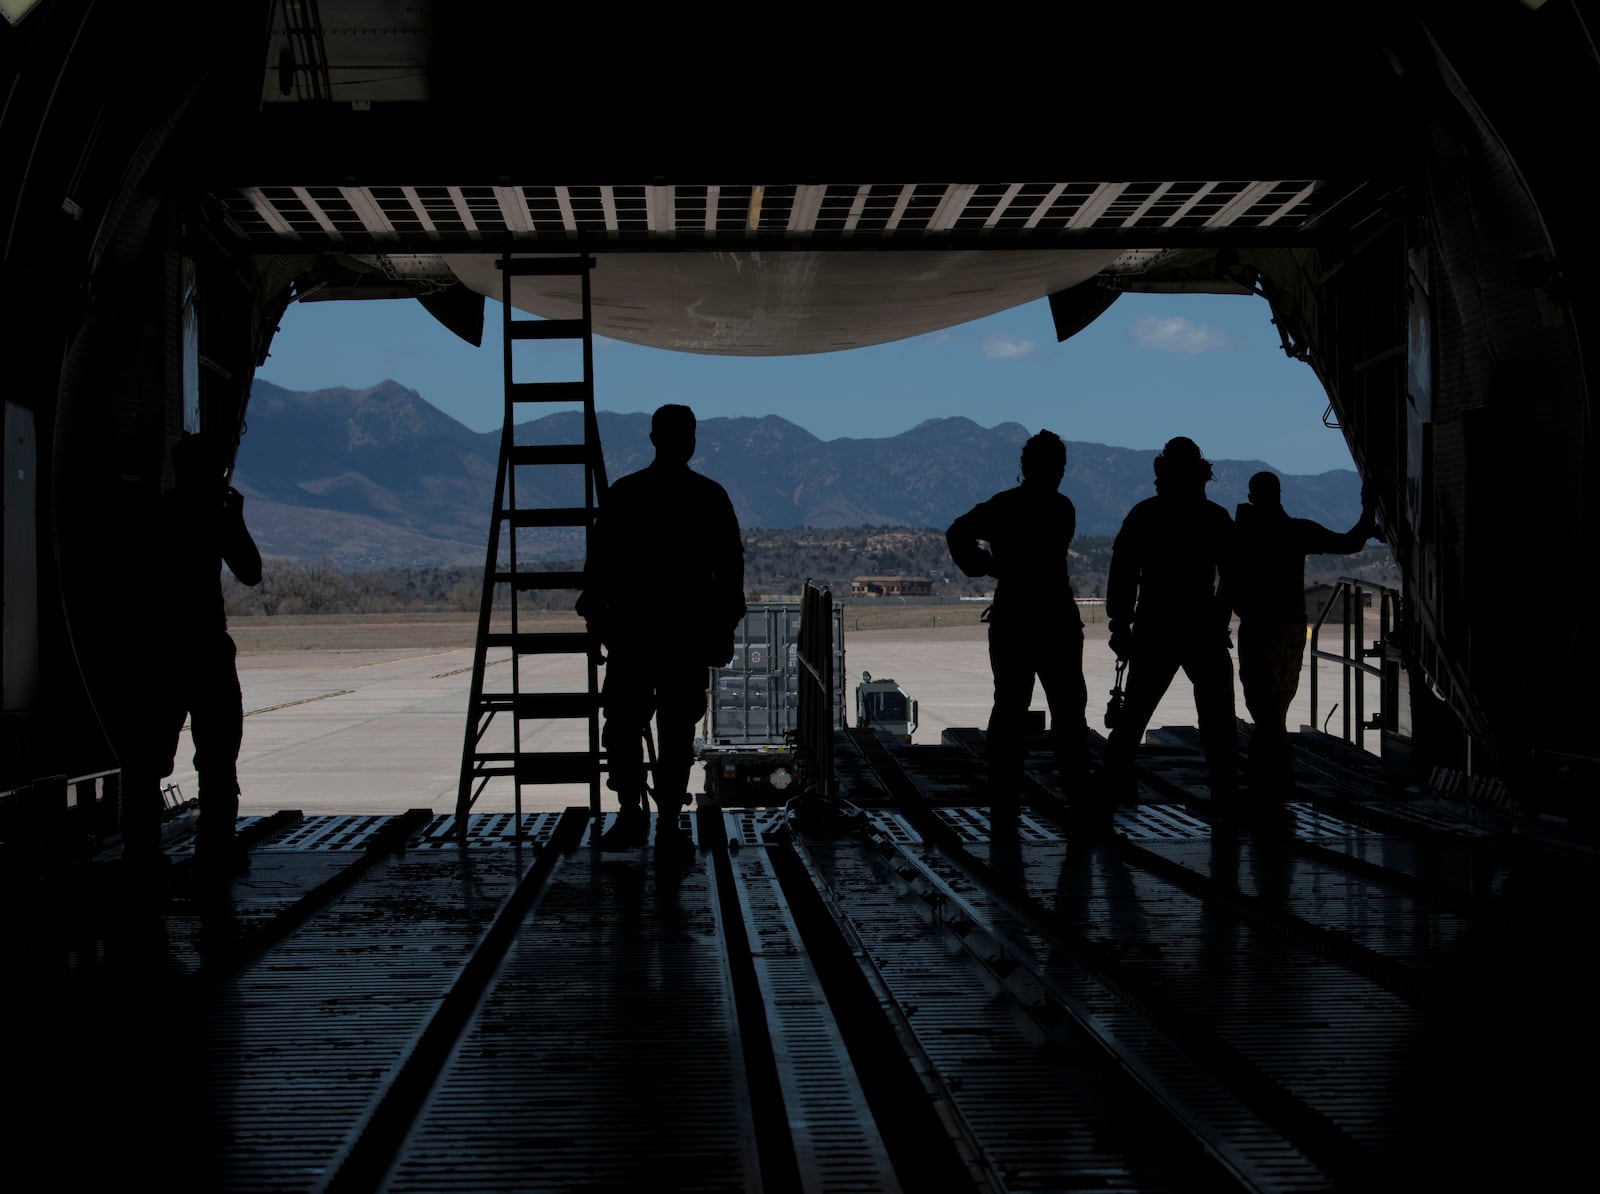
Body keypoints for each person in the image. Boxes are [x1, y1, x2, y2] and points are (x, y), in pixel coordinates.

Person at [577, 404, 746, 853]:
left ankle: (635, 816)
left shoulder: (627, 494)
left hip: (636, 634)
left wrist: (597, 622)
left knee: (628, 728)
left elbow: (599, 569)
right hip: (681, 637)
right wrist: (723, 626)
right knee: (673, 733)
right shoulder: (709, 497)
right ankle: (666, 821)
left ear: (653, 439)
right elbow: (730, 570)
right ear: (690, 442)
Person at [946, 430, 1089, 813]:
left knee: (1010, 708)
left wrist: (987, 566)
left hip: (1015, 617)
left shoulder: (1005, 507)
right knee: (1068, 711)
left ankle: (1004, 798)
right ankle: (1078, 797)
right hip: (1055, 619)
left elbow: (958, 532)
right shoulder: (1063, 509)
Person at [1101, 436, 1238, 818]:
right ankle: (1224, 790)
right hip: (1201, 627)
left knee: (1133, 717)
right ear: (1201, 475)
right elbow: (1233, 577)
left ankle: (1115, 787)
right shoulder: (1215, 518)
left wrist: (1119, 625)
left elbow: (1123, 574)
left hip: (1155, 625)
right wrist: (1221, 618)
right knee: (1217, 719)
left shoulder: (1144, 515)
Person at [1232, 471, 1378, 806]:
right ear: (1279, 494)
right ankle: (1275, 781)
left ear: (1252, 497)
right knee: (1275, 710)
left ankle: (1268, 782)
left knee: (1264, 709)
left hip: (1259, 629)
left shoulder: (1243, 534)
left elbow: (1229, 582)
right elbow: (1349, 543)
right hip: (1288, 631)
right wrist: (1367, 511)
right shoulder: (1295, 531)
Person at [156, 430, 263, 879]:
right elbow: (251, 572)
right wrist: (233, 519)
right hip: (205, 647)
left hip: (158, 648)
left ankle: (141, 852)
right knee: (218, 754)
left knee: (149, 757)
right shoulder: (213, 517)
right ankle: (216, 846)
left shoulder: (159, 515)